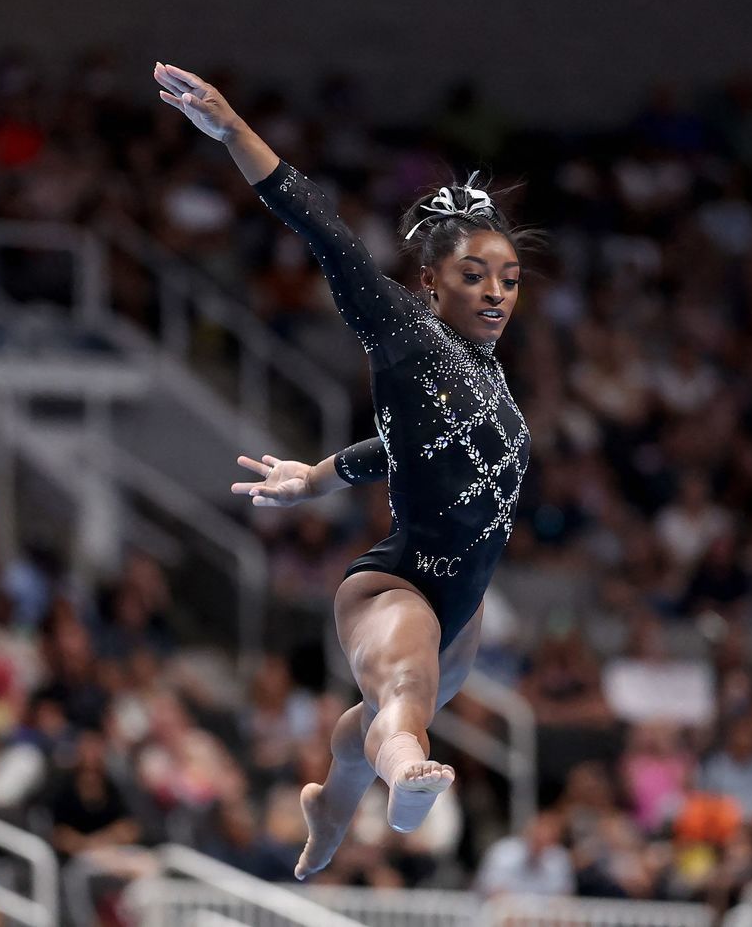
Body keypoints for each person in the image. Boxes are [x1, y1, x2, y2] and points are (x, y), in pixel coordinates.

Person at [153, 60, 540, 879]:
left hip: (461, 606)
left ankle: (331, 800)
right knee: (401, 699)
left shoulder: (492, 375)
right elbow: (325, 231)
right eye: (475, 277)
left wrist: (319, 474)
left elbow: (413, 448)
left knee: (374, 710)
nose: (497, 294)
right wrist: (233, 129)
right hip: (396, 583)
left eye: (509, 278)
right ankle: (405, 778)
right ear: (432, 282)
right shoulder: (405, 329)